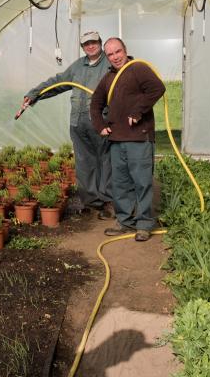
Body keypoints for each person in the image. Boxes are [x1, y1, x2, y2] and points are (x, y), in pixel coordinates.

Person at [20, 30, 113, 218]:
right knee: (84, 163)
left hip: (100, 121)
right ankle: (92, 202)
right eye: (86, 44)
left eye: (94, 42)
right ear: (83, 47)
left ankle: (108, 201)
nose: (90, 46)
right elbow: (58, 82)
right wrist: (34, 94)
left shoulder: (110, 65)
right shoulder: (78, 66)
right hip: (78, 123)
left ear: (100, 43)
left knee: (106, 161)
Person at [89, 37, 166, 242]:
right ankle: (125, 221)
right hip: (116, 140)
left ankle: (144, 223)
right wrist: (100, 126)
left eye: (118, 51)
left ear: (125, 50)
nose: (115, 57)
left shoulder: (138, 69)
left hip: (139, 138)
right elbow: (95, 103)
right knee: (120, 184)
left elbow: (157, 89)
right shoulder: (108, 79)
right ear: (107, 56)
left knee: (142, 182)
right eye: (111, 54)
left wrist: (137, 112)